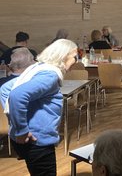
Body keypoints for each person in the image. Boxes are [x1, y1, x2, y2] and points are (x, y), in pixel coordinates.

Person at [0, 39, 78, 175]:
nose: (76, 61)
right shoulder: (50, 75)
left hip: (29, 139)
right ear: (64, 56)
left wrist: (16, 123)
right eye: (75, 57)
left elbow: (6, 88)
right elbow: (17, 95)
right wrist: (21, 130)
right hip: (37, 141)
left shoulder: (39, 68)